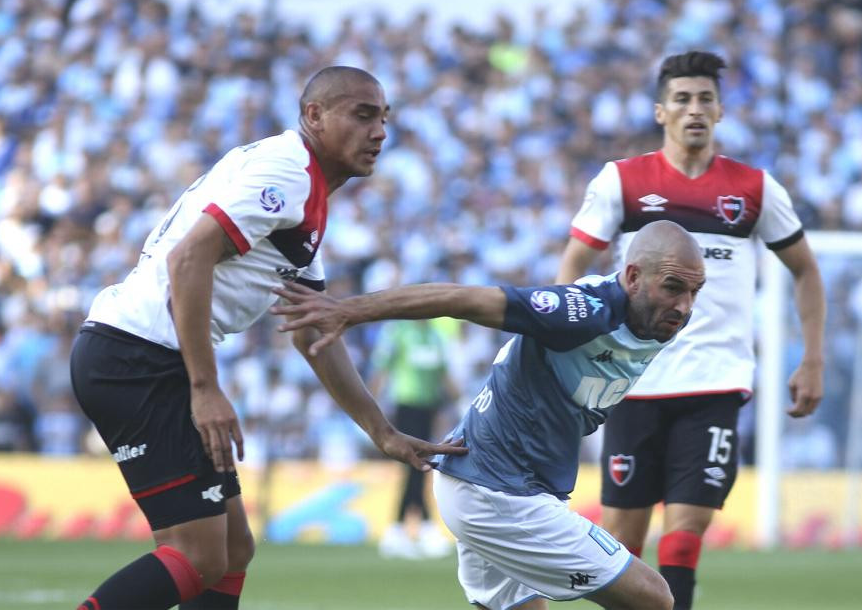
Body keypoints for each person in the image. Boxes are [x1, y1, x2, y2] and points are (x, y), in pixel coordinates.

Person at [69, 66, 467, 610]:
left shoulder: (304, 195)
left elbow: (313, 333)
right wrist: (204, 387)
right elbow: (190, 258)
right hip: (140, 356)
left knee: (232, 550)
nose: (379, 132)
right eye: (363, 115)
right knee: (200, 554)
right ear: (314, 116)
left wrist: (382, 432)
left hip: (140, 353)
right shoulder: (289, 172)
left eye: (384, 118)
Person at [273, 220, 705, 610]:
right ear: (632, 277)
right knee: (654, 598)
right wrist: (349, 311)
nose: (684, 306)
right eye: (672, 287)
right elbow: (460, 299)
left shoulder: (657, 318)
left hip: (485, 481)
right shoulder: (580, 312)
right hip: (499, 491)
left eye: (693, 292)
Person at [554, 51, 826, 609]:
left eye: (705, 99)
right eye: (682, 99)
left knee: (684, 531)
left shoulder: (753, 189)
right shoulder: (623, 183)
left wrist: (813, 358)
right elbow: (572, 266)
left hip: (715, 381)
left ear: (720, 110)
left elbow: (806, 271)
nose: (694, 109)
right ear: (661, 111)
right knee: (623, 544)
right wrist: (569, 342)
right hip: (631, 380)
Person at [370, 317, 459, 559]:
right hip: (406, 405)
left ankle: (399, 528)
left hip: (429, 407)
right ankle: (420, 528)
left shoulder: (436, 336)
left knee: (418, 467)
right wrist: (369, 412)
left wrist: (461, 399)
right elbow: (382, 368)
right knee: (416, 466)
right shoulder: (398, 332)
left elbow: (443, 373)